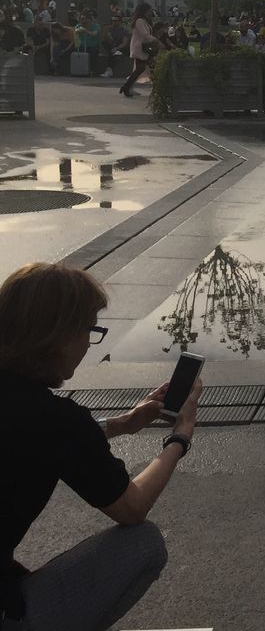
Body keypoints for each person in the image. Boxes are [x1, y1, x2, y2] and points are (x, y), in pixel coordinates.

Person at [0, 262, 202, 629]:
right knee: (143, 543)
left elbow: (29, 438)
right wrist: (179, 439)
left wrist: (124, 424)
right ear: (58, 335)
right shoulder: (55, 420)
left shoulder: (45, 420)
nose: (87, 345)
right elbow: (132, 508)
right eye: (89, 330)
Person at [120, 3, 157, 99]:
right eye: (149, 10)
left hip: (143, 48)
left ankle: (127, 87)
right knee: (145, 68)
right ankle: (127, 87)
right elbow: (144, 35)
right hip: (140, 48)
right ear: (144, 11)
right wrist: (155, 40)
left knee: (140, 69)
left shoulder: (144, 21)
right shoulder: (140, 21)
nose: (150, 12)